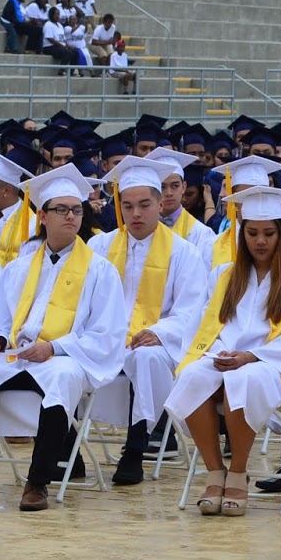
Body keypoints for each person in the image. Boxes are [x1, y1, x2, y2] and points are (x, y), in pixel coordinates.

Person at [0, 165, 124, 511]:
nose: (71, 217)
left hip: (64, 357)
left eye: (76, 210)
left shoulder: (100, 271)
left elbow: (106, 334)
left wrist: (55, 347)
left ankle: (37, 482)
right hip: (16, 356)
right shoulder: (19, 267)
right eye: (61, 210)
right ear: (43, 216)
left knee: (61, 378)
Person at [164, 186, 281, 516]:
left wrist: (252, 356)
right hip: (228, 358)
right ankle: (215, 471)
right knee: (193, 374)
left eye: (269, 233)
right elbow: (205, 326)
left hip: (278, 364)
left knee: (242, 380)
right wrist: (219, 353)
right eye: (252, 233)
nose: (260, 241)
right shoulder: (224, 276)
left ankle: (238, 472)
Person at [88, 156, 208, 486]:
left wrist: (158, 331)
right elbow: (83, 305)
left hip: (157, 343)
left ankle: (136, 449)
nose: (136, 214)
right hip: (106, 340)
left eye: (144, 204)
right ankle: (68, 447)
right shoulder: (98, 247)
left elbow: (192, 311)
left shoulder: (184, 253)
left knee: (147, 357)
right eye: (127, 206)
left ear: (160, 203)